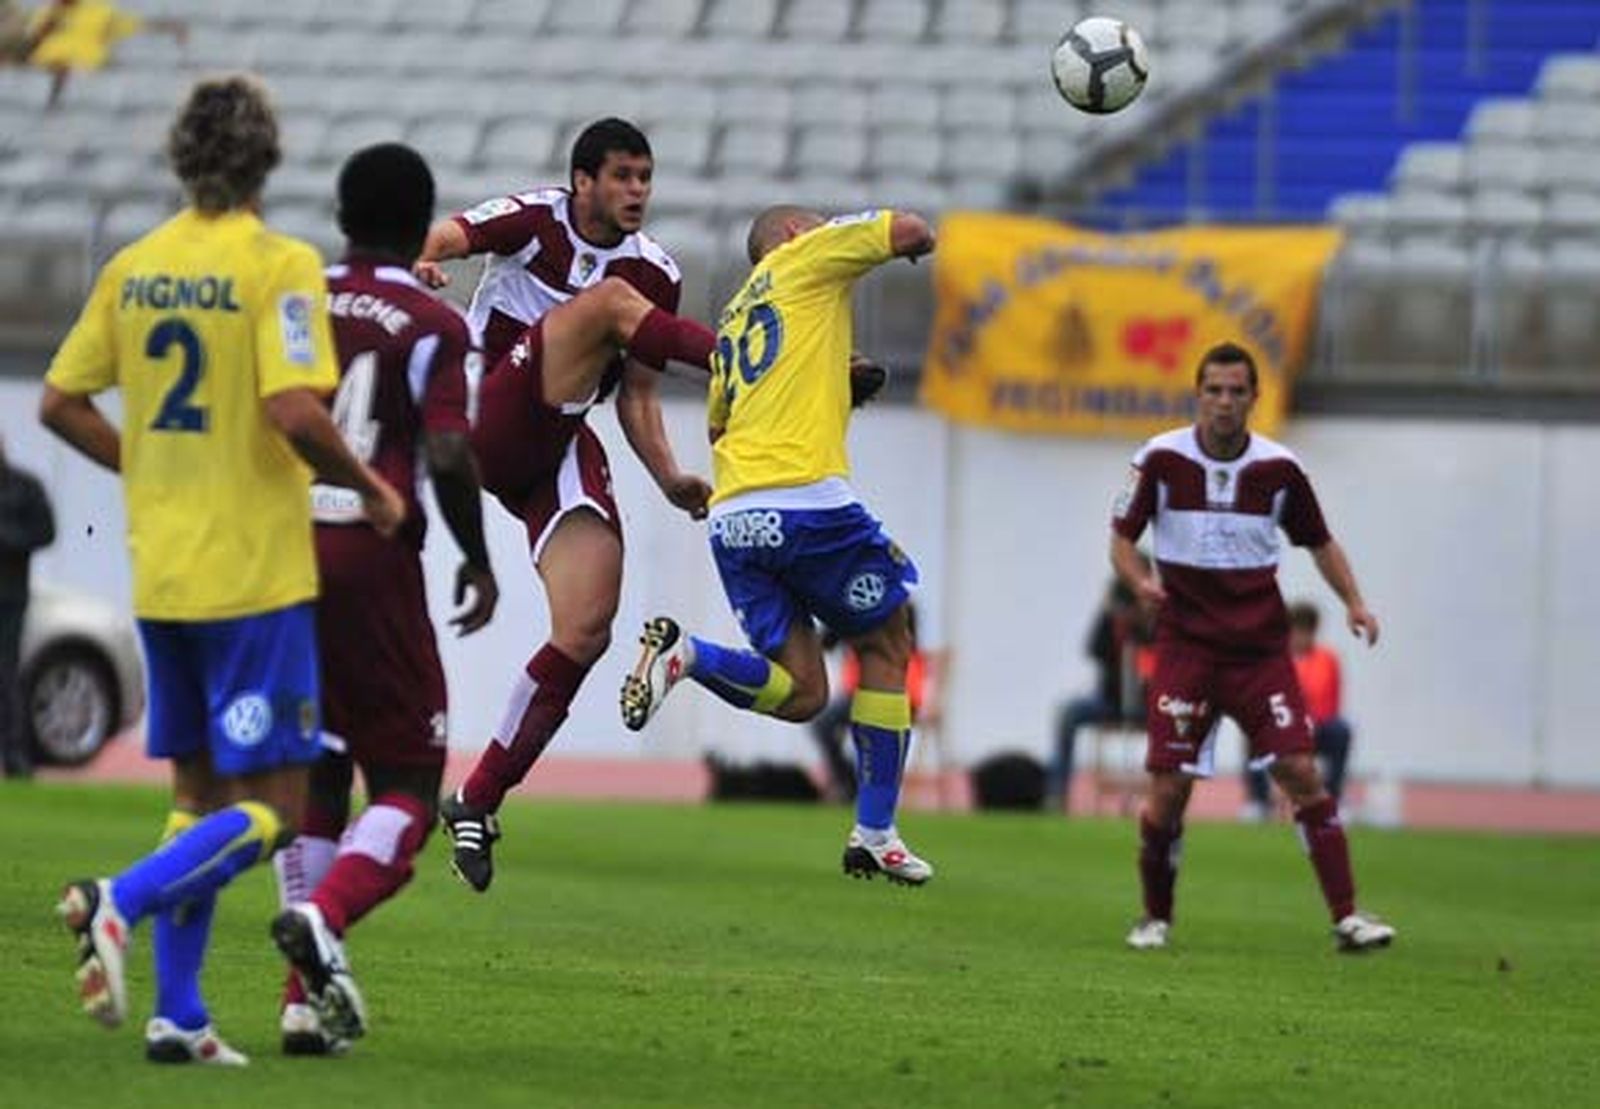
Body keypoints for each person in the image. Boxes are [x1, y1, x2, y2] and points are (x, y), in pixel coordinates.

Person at [40, 74, 404, 1065]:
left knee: (196, 794)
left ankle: (181, 1013)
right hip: (252, 574)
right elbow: (293, 409)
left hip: (163, 572)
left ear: (178, 155)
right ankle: (118, 897)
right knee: (274, 810)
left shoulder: (136, 266)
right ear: (267, 160)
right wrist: (371, 485)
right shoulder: (280, 264)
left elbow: (61, 401)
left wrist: (148, 464)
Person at [620, 204, 939, 886]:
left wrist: (836, 386)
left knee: (802, 692)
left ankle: (689, 655)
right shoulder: (807, 257)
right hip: (806, 502)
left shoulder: (736, 316)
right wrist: (914, 241)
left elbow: (725, 427)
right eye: (816, 224)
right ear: (794, 236)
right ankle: (876, 830)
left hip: (734, 514)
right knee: (887, 642)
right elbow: (910, 229)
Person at [268, 143, 499, 1055]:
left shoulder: (297, 294)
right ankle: (324, 918)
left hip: (276, 552)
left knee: (321, 767)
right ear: (420, 221)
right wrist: (475, 557)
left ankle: (298, 998)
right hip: (369, 549)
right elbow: (445, 451)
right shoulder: (429, 320)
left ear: (339, 213)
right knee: (407, 779)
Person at [1110, 340, 1396, 953]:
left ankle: (1348, 916)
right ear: (1198, 394)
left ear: (1253, 398)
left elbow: (1320, 542)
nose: (1224, 402)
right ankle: (1154, 916)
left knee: (1300, 770)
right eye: (1213, 389)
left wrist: (1354, 602)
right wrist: (1139, 582)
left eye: (1237, 391)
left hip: (1259, 653)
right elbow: (1122, 538)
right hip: (1186, 650)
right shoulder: (1159, 459)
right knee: (1168, 790)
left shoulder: (1279, 470)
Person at [809, 604, 936, 803]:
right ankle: (850, 784)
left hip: (899, 692)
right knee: (824, 724)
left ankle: (860, 788)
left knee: (863, 730)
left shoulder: (898, 607)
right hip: (860, 692)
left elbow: (904, 646)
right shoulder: (851, 608)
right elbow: (827, 643)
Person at [1045, 578, 1152, 812]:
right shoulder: (1109, 620)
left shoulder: (1154, 623)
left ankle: (1165, 798)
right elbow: (1093, 649)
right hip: (1109, 700)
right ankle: (1057, 793)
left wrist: (1141, 633)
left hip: (1148, 705)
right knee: (1068, 714)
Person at [1241, 601, 1353, 817]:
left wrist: (1309, 722)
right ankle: (1257, 801)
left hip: (1317, 727)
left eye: (1307, 631)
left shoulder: (1328, 659)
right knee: (1250, 733)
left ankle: (1332, 799)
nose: (1301, 638)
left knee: (1341, 730)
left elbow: (1331, 702)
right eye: (1297, 631)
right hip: (1280, 726)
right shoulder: (1274, 659)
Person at [0, 432, 55, 778]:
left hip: (9, 598)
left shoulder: (25, 487)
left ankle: (15, 755)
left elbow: (46, 532)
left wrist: (7, 537)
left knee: (6, 675)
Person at [24, 0, 186, 107]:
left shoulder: (98, 11)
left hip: (86, 67)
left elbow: (134, 25)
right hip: (47, 69)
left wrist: (169, 27)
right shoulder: (48, 12)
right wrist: (51, 19)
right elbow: (33, 38)